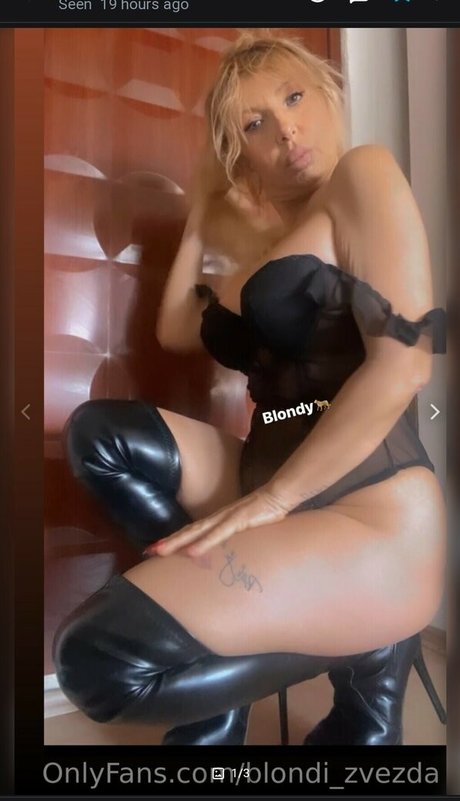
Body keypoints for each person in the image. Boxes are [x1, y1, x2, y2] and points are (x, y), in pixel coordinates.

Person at [53, 32, 447, 746]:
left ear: (327, 96)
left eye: (294, 98)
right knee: (101, 434)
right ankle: (242, 640)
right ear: (241, 156)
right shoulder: (259, 256)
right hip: (269, 470)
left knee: (99, 661)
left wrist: (271, 502)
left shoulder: (363, 174)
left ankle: (366, 651)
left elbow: (405, 366)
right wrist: (203, 209)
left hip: (367, 509)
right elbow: (178, 328)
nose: (286, 129)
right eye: (254, 125)